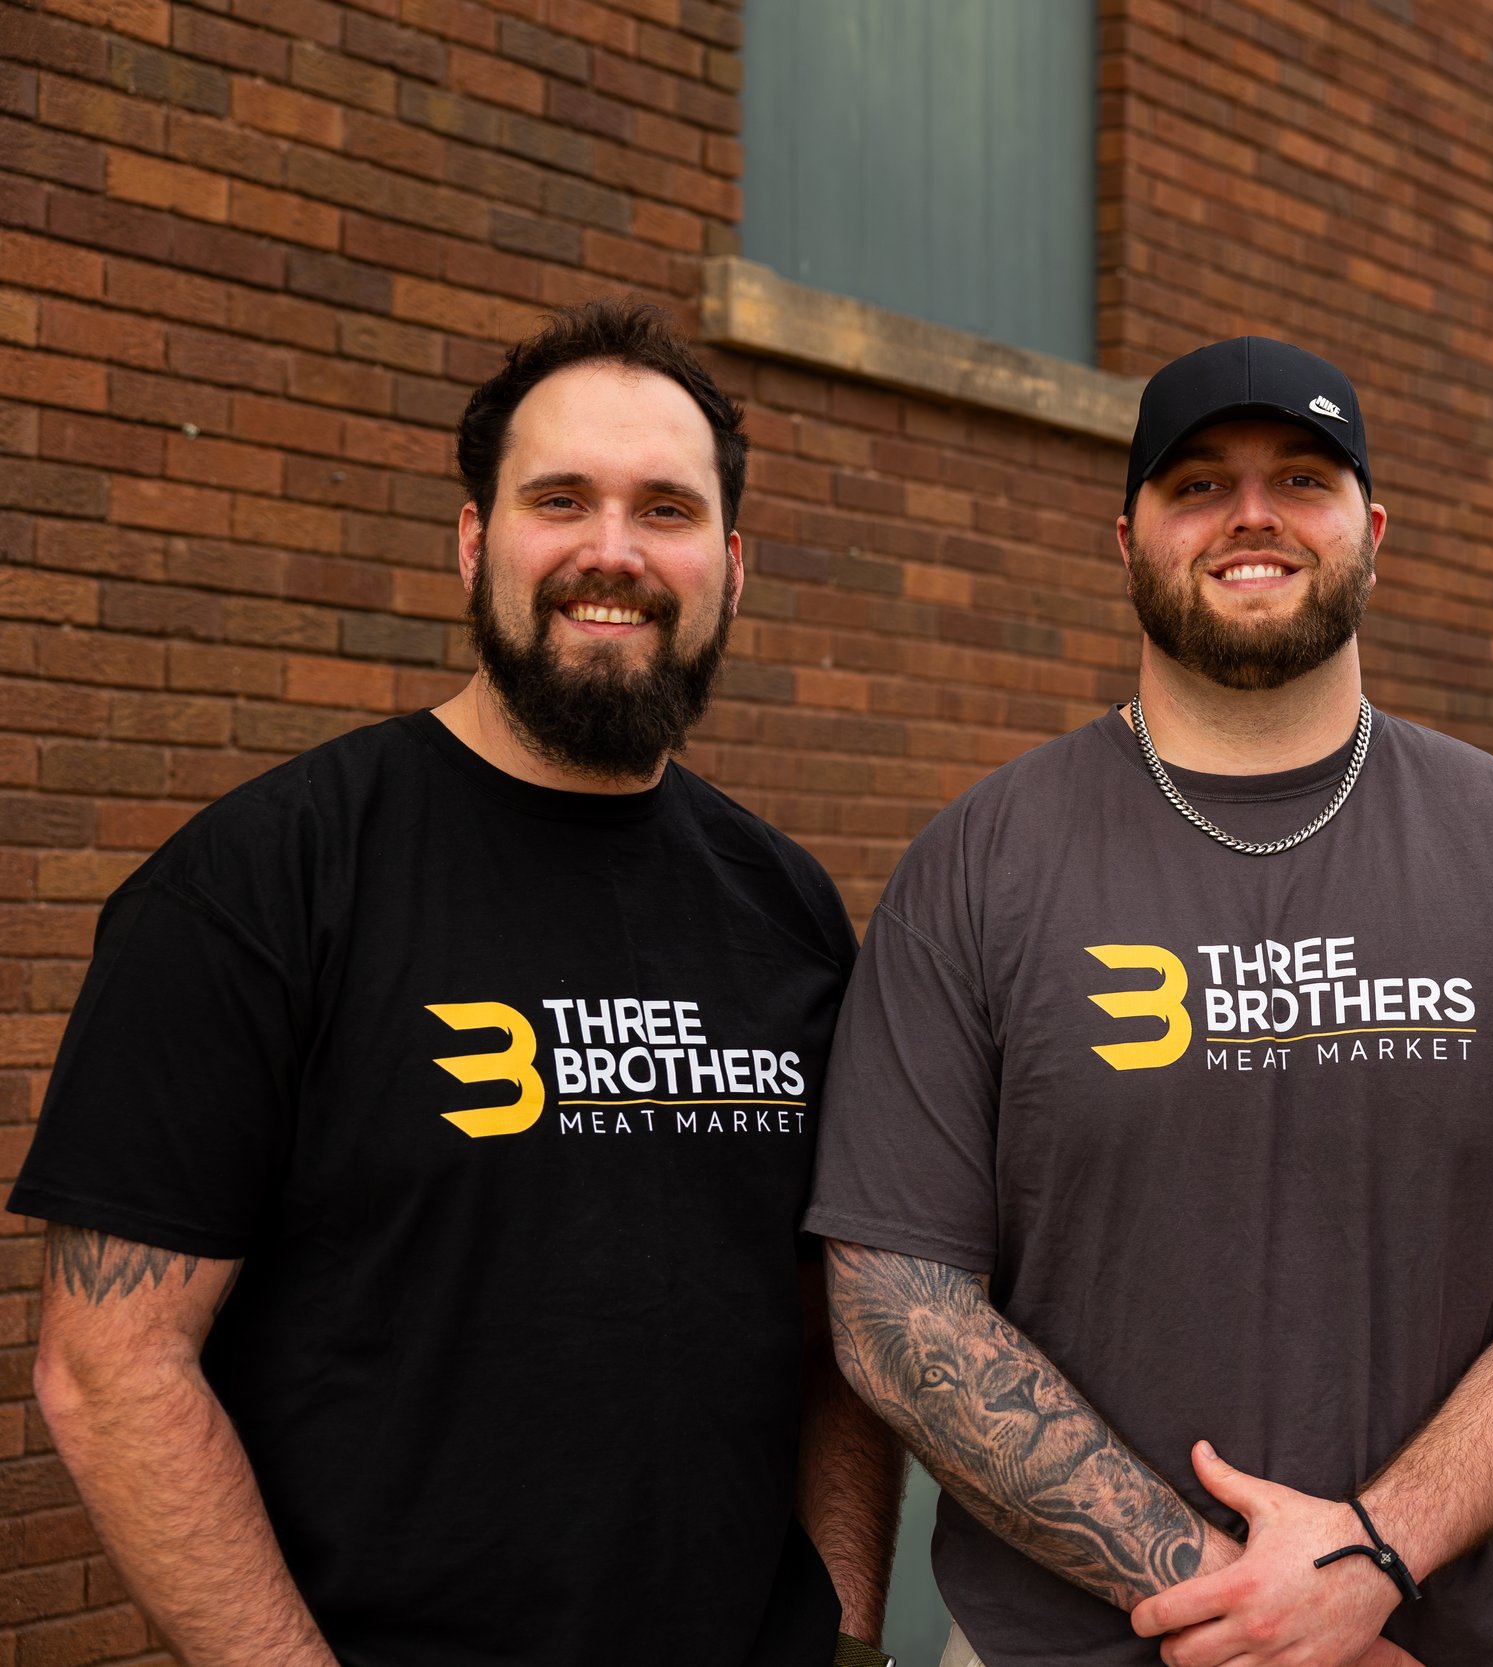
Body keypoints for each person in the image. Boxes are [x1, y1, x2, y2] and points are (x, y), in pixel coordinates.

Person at [12, 299, 902, 1667]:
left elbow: (829, 1324)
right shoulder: (264, 882)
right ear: (476, 540)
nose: (613, 552)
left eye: (665, 510)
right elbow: (109, 1368)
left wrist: (839, 1626)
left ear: (732, 562)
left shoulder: (784, 907)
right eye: (562, 500)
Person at [806, 335, 1493, 1667]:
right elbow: (894, 1301)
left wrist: (1375, 1556)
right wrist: (1231, 1601)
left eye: (1302, 479)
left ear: (1372, 530)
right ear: (1128, 536)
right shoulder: (980, 866)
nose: (1253, 516)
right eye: (1200, 483)